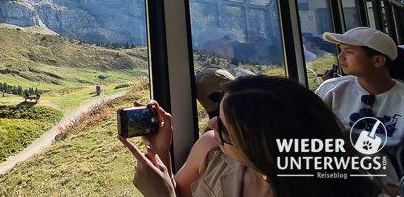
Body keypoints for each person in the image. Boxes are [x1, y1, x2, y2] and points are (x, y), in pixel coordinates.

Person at [118, 75, 378, 197]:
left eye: (225, 128)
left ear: (261, 148)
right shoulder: (211, 151)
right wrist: (160, 151)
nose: (210, 124)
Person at [316, 27, 403, 181]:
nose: (341, 57)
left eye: (349, 51)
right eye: (341, 50)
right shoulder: (331, 90)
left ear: (377, 60)